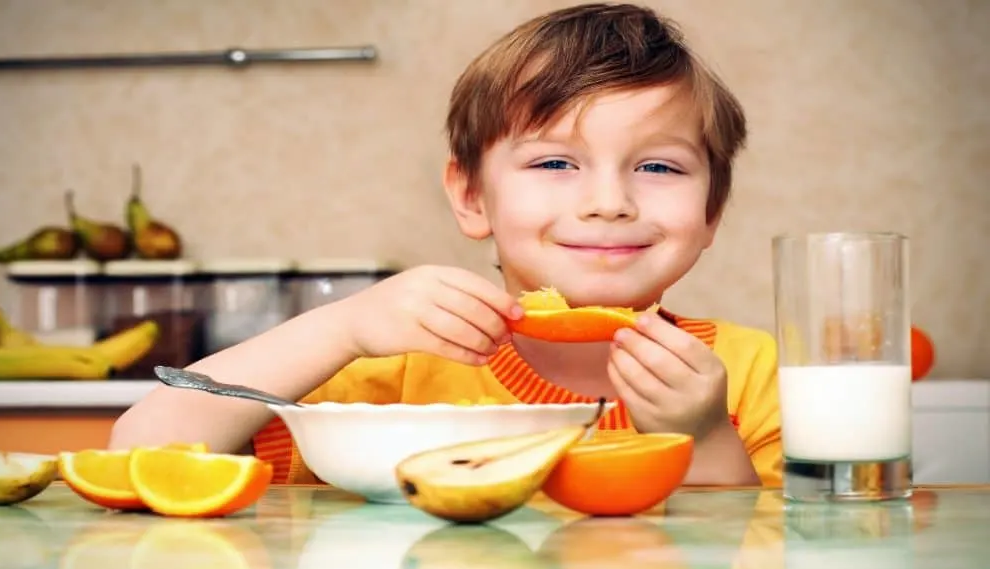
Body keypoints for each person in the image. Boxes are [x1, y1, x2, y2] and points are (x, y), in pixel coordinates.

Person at [110, 2, 782, 487]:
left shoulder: (755, 372)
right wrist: (343, 326)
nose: (609, 202)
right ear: (470, 197)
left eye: (658, 167)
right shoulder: (398, 370)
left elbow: (777, 550)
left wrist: (704, 436)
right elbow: (141, 454)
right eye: (554, 163)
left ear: (712, 210)